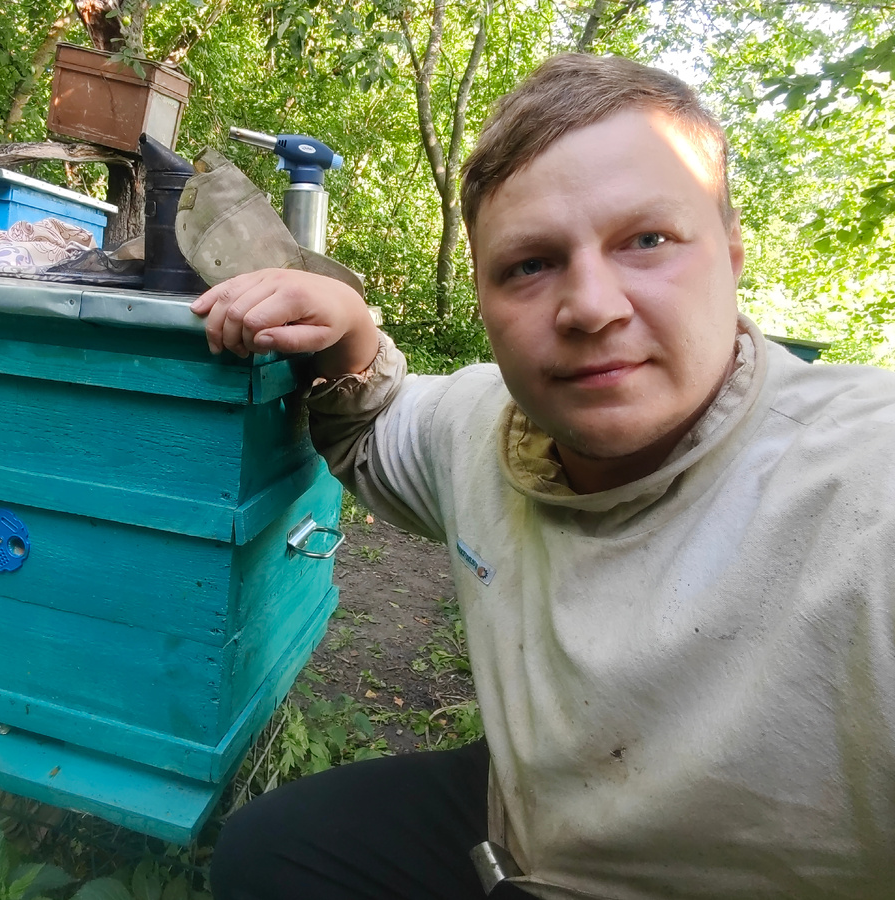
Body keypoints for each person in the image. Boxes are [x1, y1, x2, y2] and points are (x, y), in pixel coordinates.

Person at [189, 53, 895, 900]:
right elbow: (377, 425)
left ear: (733, 253)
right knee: (270, 852)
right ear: (483, 296)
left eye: (647, 240)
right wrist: (349, 331)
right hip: (522, 820)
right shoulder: (482, 421)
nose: (592, 306)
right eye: (529, 264)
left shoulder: (864, 479)